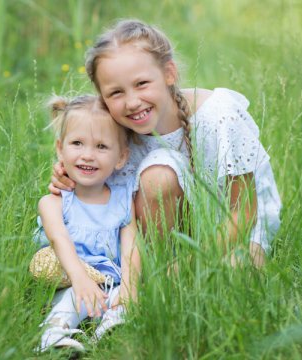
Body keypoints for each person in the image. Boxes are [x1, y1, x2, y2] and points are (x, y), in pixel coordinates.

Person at [50, 19, 281, 268]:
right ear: (103, 98)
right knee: (158, 176)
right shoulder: (112, 133)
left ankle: (180, 272)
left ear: (169, 73)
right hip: (152, 239)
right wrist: (70, 177)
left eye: (141, 84)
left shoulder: (219, 116)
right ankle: (158, 268)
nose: (132, 102)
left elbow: (243, 212)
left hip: (231, 230)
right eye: (116, 92)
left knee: (237, 270)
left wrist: (193, 264)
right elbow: (97, 189)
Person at [35, 95, 140, 352]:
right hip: (70, 279)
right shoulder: (54, 203)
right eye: (77, 143)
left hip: (109, 283)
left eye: (101, 147)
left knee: (122, 298)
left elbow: (131, 246)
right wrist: (81, 279)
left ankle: (112, 326)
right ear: (60, 149)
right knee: (71, 301)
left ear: (121, 157)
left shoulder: (123, 200)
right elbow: (59, 241)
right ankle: (54, 334)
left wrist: (129, 286)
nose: (88, 155)